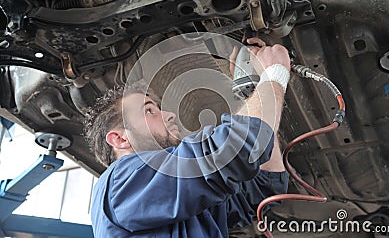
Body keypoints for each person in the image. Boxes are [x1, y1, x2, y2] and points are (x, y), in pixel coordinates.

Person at [84, 37, 291, 237]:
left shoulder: (172, 198)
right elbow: (237, 149)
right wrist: (274, 73)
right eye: (149, 111)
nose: (169, 114)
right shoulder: (120, 184)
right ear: (120, 139)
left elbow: (263, 184)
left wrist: (253, 89)